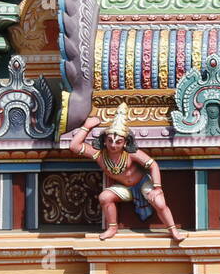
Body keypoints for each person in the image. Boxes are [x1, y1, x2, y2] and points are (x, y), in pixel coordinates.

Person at [69, 102, 186, 244]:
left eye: (118, 142)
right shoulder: (99, 155)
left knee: (159, 202)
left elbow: (153, 165)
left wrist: (157, 187)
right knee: (104, 197)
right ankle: (112, 228)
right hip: (125, 189)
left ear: (125, 143)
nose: (113, 145)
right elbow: (74, 146)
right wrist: (86, 127)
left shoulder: (131, 154)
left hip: (143, 184)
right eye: (110, 141)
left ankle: (173, 230)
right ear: (104, 141)